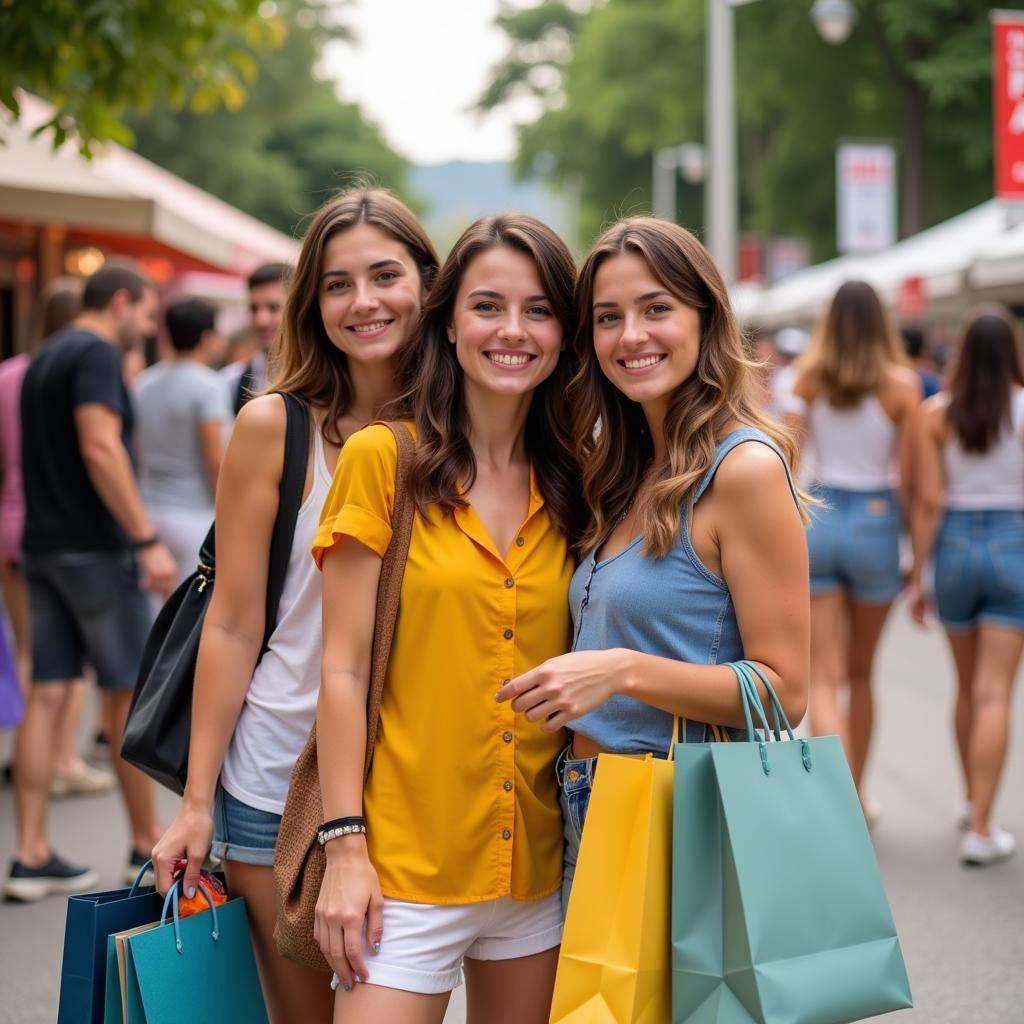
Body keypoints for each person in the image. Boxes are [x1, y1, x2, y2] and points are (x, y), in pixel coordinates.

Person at [151, 188, 439, 1024]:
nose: (364, 302)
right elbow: (235, 619)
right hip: (279, 784)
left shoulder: (475, 427)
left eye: (386, 275)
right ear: (312, 303)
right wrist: (197, 799)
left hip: (428, 786)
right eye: (338, 284)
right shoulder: (273, 426)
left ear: (428, 283)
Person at [311, 214, 580, 1023]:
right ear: (449, 322)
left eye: (539, 310)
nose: (512, 331)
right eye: (488, 306)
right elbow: (343, 669)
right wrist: (345, 847)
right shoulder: (382, 459)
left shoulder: (581, 477)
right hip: (401, 872)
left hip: (534, 869)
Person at [494, 217, 809, 906]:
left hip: (678, 813)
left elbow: (785, 691)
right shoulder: (618, 469)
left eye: (656, 308)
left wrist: (623, 672)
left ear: (705, 318)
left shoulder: (745, 469)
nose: (631, 335)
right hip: (585, 809)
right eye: (609, 317)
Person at [5, 264, 176, 901]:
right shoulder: (98, 353)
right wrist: (145, 538)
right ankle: (146, 839)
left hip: (42, 548)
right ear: (123, 303)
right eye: (149, 314)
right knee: (124, 692)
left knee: (48, 692)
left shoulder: (43, 355)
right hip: (96, 550)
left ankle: (29, 851)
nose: (150, 328)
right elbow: (100, 446)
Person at [785, 280, 920, 819]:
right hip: (877, 521)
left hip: (819, 518)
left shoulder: (809, 378)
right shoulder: (902, 387)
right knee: (863, 674)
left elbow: (788, 462)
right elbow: (911, 478)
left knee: (822, 675)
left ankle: (833, 800)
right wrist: (915, 552)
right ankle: (859, 796)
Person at [907, 306, 1023, 866]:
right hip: (1011, 544)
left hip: (953, 548)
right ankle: (982, 826)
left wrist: (917, 574)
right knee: (995, 692)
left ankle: (970, 797)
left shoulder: (936, 414)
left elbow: (929, 502)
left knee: (964, 687)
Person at [0, 278, 113, 796]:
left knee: (33, 659)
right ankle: (61, 756)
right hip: (66, 527)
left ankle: (36, 762)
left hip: (13, 522)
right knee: (69, 669)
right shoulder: (79, 368)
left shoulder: (12, 373)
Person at [135, 297, 232, 588]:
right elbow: (214, 458)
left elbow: (137, 447)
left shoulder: (143, 382)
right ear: (207, 337)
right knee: (191, 612)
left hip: (149, 510)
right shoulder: (209, 385)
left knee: (155, 619)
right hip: (195, 515)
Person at [222, 262, 291, 414]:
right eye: (254, 309)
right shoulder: (231, 382)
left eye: (273, 308)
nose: (261, 320)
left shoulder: (323, 381)